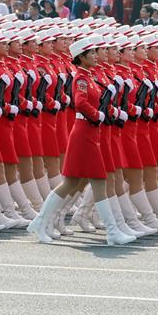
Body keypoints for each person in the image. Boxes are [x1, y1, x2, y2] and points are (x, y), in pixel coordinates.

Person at [27, 35, 136, 245]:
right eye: (92, 53)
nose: (96, 56)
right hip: (84, 134)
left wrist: (107, 112)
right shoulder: (82, 79)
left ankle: (40, 221)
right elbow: (80, 102)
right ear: (82, 57)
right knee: (92, 181)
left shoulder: (90, 77)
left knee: (72, 182)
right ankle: (112, 231)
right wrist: (97, 115)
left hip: (90, 133)